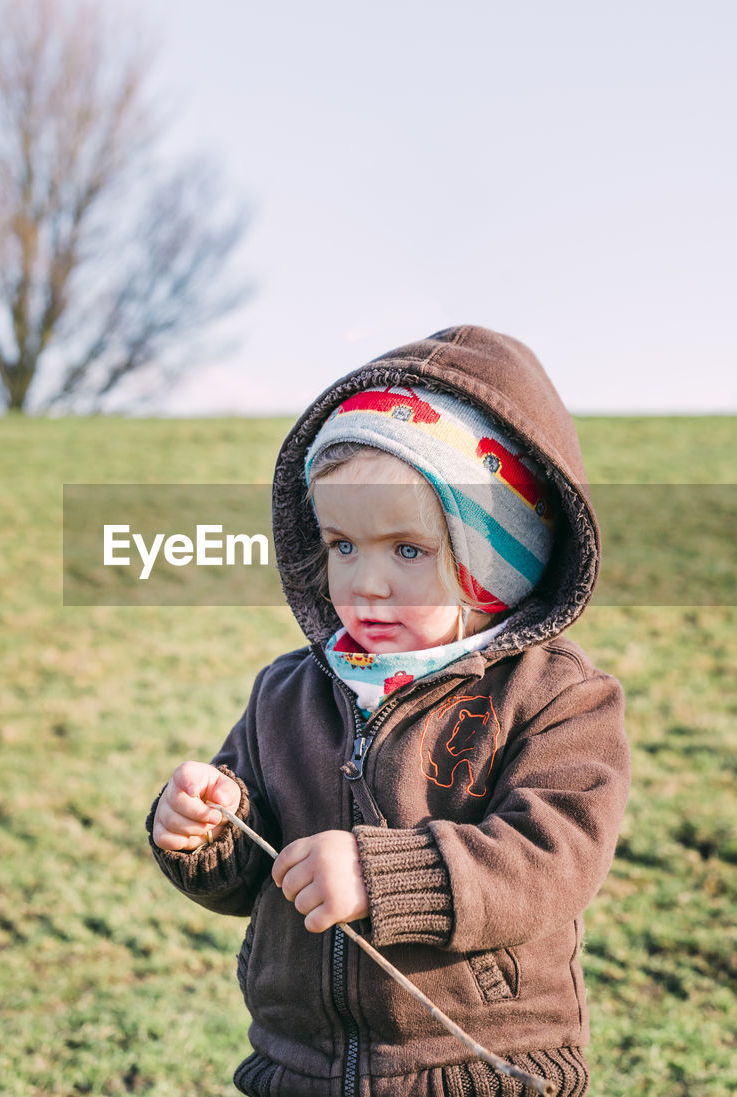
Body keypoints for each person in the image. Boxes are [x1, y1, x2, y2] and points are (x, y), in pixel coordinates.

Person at [148, 326, 631, 1097]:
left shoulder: (552, 695)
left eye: (407, 550)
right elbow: (247, 876)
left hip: (477, 1068)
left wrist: (384, 877)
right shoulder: (290, 691)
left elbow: (555, 854)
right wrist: (206, 827)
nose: (365, 582)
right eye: (342, 545)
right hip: (298, 1065)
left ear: (495, 560)